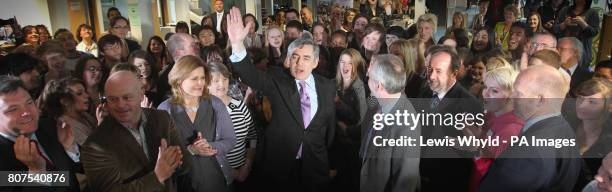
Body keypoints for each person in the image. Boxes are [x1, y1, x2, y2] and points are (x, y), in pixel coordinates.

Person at [227, 7, 336, 191]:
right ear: (288, 59)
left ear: (315, 62)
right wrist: (237, 44)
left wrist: (330, 163)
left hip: (315, 167)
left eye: (306, 58)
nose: (300, 63)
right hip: (280, 166)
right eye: (295, 57)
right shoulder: (277, 79)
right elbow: (250, 74)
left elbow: (330, 128)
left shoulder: (327, 86)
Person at [81, 71, 191, 191]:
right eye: (113, 99)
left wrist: (176, 160)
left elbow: (185, 164)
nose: (121, 105)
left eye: (126, 97)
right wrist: (157, 176)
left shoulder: (162, 118)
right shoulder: (96, 145)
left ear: (141, 93)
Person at [478, 64, 581, 191]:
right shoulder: (563, 129)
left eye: (518, 93)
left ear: (540, 100)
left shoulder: (530, 154)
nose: (512, 97)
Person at [157, 55, 236, 191]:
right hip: (183, 183)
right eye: (194, 79)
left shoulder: (215, 103)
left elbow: (231, 140)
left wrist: (209, 147)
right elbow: (162, 154)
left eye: (203, 78)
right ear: (179, 80)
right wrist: (191, 150)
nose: (201, 83)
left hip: (216, 180)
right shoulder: (165, 110)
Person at [419, 45, 483, 191]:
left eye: (438, 71)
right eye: (430, 69)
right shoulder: (425, 92)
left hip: (448, 181)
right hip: (421, 175)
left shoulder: (471, 105)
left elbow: (468, 152)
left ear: (454, 73)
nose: (431, 76)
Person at [0, 75, 81, 191]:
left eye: (29, 103)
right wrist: (37, 172)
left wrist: (70, 150)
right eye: (13, 109)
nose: (26, 112)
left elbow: (72, 175)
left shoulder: (50, 126)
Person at [359, 54, 421, 192]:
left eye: (369, 77)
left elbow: (405, 182)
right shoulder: (379, 104)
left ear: (379, 86)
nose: (367, 79)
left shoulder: (406, 126)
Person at [469, 67, 524, 190]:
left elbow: (500, 176)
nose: (485, 94)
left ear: (511, 95)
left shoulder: (512, 131)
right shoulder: (490, 114)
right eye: (486, 87)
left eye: (494, 91)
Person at [206, 61, 257, 184]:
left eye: (225, 79)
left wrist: (248, 163)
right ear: (206, 84)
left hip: (244, 170)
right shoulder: (204, 111)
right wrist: (234, 173)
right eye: (216, 81)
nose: (222, 84)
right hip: (218, 176)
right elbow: (206, 148)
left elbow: (252, 137)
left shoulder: (239, 105)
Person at [329, 48, 367, 192]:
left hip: (351, 144)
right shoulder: (333, 83)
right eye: (342, 62)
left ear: (356, 65)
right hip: (334, 142)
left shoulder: (360, 87)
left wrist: (338, 103)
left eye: (350, 63)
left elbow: (359, 118)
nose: (345, 66)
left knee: (351, 181)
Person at [572, 78, 612, 191]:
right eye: (580, 98)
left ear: (609, 107)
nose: (582, 105)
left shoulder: (609, 141)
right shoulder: (565, 124)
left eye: (592, 102)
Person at [554, 0, 600, 67]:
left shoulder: (592, 13)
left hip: (582, 50)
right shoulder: (565, 10)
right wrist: (564, 24)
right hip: (563, 48)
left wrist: (583, 24)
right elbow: (555, 29)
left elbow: (594, 33)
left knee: (578, 73)